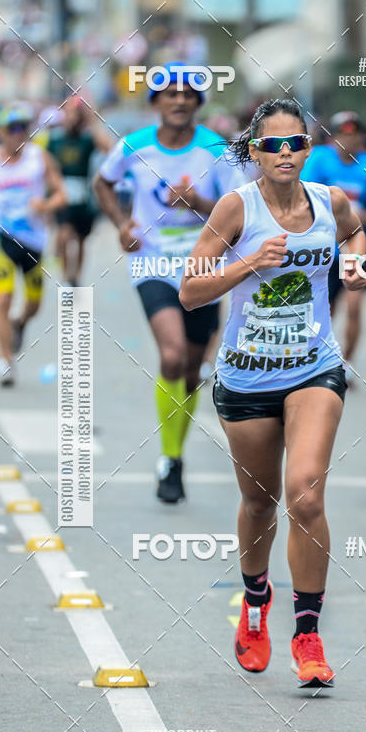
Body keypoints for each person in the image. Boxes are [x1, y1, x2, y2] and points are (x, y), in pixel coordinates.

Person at [179, 98, 366, 687]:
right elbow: (190, 290)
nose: (285, 154)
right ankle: (255, 603)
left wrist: (356, 266)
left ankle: (307, 634)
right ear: (254, 152)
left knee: (305, 496)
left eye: (296, 144)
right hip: (246, 374)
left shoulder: (331, 202)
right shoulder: (238, 208)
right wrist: (247, 265)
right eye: (272, 145)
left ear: (309, 150)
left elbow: (356, 234)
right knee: (260, 503)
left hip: (314, 367)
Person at [93, 64, 244, 503]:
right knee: (173, 355)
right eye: (169, 94)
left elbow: (238, 206)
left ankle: (176, 453)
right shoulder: (133, 146)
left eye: (187, 95)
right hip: (152, 263)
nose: (179, 100)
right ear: (155, 102)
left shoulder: (216, 149)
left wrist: (199, 202)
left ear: (197, 104)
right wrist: (122, 223)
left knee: (194, 369)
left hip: (203, 267)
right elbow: (102, 183)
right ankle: (169, 458)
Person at [300, 111, 366, 376]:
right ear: (334, 137)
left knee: (354, 306)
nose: (348, 140)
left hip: (357, 246)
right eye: (343, 134)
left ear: (362, 137)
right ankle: (315, 357)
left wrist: (364, 217)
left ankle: (347, 364)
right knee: (326, 307)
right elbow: (304, 198)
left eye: (354, 135)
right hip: (325, 246)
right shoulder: (319, 159)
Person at [0, 102, 66, 384]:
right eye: (13, 128)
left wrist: (45, 206)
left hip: (33, 242)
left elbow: (61, 194)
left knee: (33, 305)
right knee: (3, 298)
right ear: (1, 132)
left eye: (24, 127)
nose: (18, 133)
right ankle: (6, 361)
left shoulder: (38, 158)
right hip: (0, 239)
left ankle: (19, 323)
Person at [48, 96, 111, 286]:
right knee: (65, 234)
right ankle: (67, 274)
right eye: (69, 114)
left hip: (83, 197)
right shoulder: (55, 140)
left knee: (81, 240)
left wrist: (91, 122)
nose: (72, 118)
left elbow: (108, 148)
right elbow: (48, 167)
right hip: (64, 195)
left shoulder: (86, 139)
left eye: (76, 114)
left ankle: (77, 277)